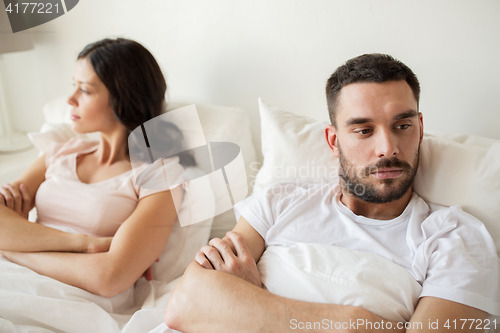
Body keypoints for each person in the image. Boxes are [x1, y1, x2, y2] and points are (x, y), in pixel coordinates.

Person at [164, 54, 500, 332]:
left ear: (420, 128)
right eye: (364, 130)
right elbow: (185, 303)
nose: (388, 147)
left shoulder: (455, 239)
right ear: (333, 140)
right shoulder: (279, 201)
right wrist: (354, 323)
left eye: (402, 126)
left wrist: (253, 298)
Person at [0, 38, 192, 298]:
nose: (70, 99)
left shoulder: (159, 175)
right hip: (14, 276)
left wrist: (14, 245)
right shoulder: (60, 151)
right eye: (73, 86)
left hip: (76, 295)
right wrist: (84, 245)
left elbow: (110, 277)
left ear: (123, 100)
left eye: (85, 90)